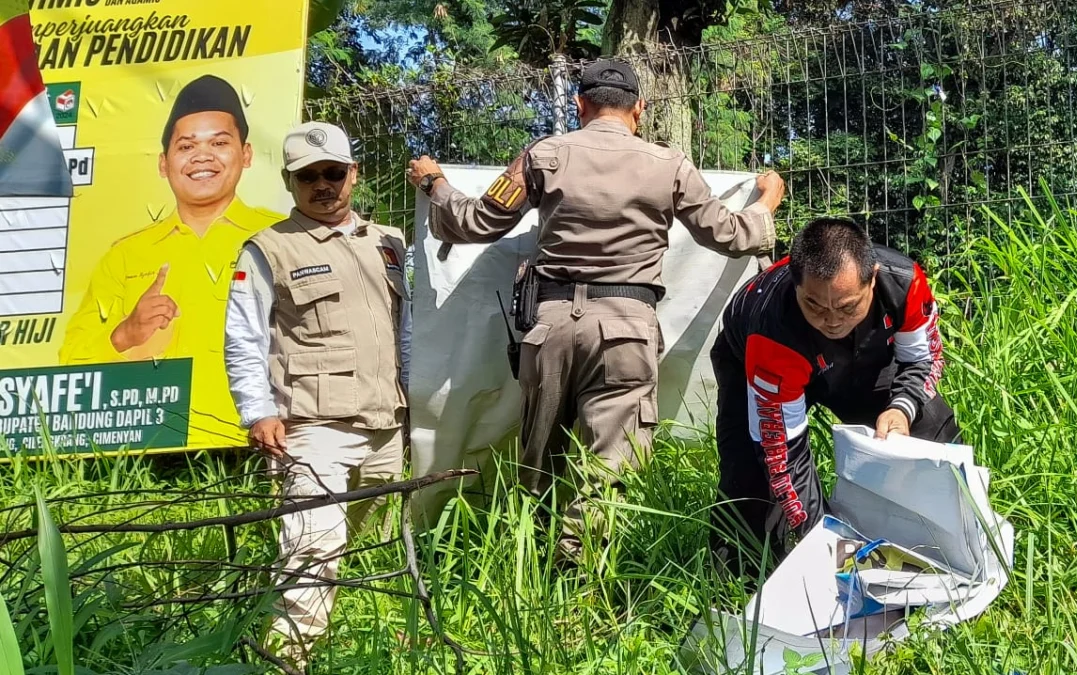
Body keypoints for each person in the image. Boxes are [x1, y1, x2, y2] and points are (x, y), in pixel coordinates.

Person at [404, 59, 786, 564]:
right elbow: (732, 235)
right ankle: (583, 587)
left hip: (551, 328)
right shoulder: (668, 165)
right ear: (640, 109)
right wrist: (766, 202)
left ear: (580, 106)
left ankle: (530, 574)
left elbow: (475, 222)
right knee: (609, 469)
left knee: (541, 463)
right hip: (628, 331)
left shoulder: (544, 155)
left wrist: (435, 184)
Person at [222, 121, 412, 669]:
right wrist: (257, 411)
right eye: (308, 177)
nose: (322, 185)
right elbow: (244, 336)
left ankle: (362, 647)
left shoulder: (389, 243)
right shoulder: (267, 248)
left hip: (386, 426)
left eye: (333, 172)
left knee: (373, 545)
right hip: (312, 427)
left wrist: (414, 402)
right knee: (312, 547)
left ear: (355, 173)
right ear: (289, 182)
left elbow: (406, 331)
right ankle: (288, 660)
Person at [707, 217, 959, 580]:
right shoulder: (774, 332)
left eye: (847, 306)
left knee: (928, 427)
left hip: (867, 356)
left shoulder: (904, 283)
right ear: (796, 287)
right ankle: (744, 584)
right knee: (751, 479)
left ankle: (942, 552)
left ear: (872, 278)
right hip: (762, 359)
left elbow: (924, 358)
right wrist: (824, 544)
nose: (832, 321)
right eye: (816, 306)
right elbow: (783, 454)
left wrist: (901, 408)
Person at [59, 74, 284, 448]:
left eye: (219, 142)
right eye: (186, 146)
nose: (202, 156)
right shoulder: (126, 255)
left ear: (245, 155)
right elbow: (70, 362)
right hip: (154, 447)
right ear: (164, 163)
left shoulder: (280, 237)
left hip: (263, 440)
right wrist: (124, 334)